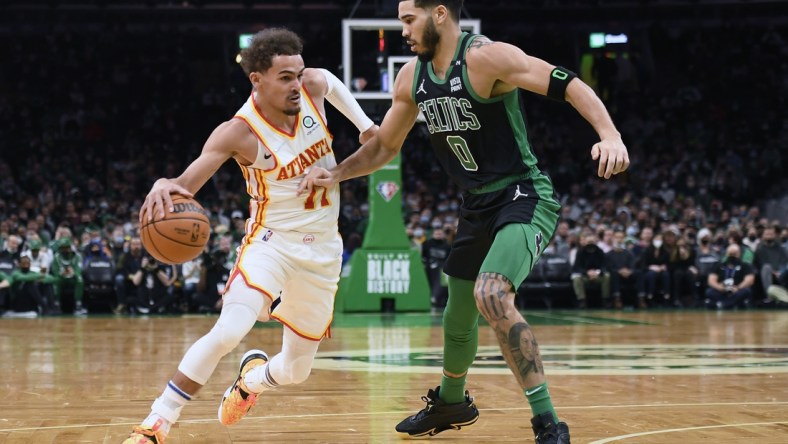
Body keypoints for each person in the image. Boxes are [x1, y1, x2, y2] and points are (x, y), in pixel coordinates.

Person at [298, 1, 629, 442]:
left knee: (491, 294)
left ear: (439, 14)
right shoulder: (410, 78)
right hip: (475, 204)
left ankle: (547, 422)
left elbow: (568, 84)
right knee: (457, 315)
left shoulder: (485, 57)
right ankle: (452, 402)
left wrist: (610, 135)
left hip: (523, 193)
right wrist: (337, 172)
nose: (402, 31)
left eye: (407, 20)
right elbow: (384, 147)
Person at [121, 28, 377, 444]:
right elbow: (186, 182)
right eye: (285, 77)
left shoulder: (313, 85)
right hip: (270, 243)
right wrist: (163, 183)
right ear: (256, 79)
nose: (297, 84)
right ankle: (157, 423)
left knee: (296, 372)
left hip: (324, 249)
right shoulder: (238, 132)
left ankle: (251, 382)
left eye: (297, 73)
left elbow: (328, 80)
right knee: (228, 329)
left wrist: (365, 126)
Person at [704, 244, 755, 310]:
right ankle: (732, 304)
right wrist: (719, 287)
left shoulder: (745, 266)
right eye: (730, 254)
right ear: (726, 254)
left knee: (747, 291)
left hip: (737, 290)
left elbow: (750, 280)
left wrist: (738, 288)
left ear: (739, 254)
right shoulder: (718, 265)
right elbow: (711, 281)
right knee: (709, 292)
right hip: (722, 290)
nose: (732, 256)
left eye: (734, 254)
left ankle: (724, 304)